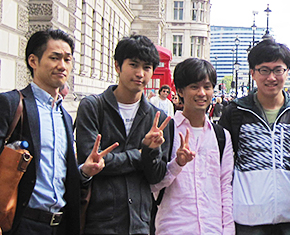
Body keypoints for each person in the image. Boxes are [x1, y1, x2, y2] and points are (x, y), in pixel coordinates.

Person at [0, 29, 116, 235]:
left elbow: (60, 174)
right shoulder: (12, 104)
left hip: (58, 225)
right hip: (21, 224)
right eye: (54, 58)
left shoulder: (63, 115)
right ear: (33, 61)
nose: (62, 66)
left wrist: (84, 172)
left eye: (67, 59)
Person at [218, 39, 290, 234]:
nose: (271, 77)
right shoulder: (236, 112)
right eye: (264, 70)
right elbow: (221, 165)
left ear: (287, 72)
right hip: (249, 219)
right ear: (253, 73)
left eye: (278, 70)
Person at [75, 35, 171, 235]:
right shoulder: (93, 107)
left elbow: (156, 175)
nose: (140, 73)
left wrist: (151, 152)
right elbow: (92, 161)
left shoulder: (156, 117)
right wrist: (140, 154)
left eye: (146, 67)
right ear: (118, 66)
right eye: (133, 65)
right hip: (99, 221)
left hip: (139, 222)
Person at [151, 58, 234, 235]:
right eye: (194, 87)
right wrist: (177, 165)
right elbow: (153, 185)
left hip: (213, 229)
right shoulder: (166, 132)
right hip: (173, 228)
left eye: (207, 86)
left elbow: (225, 187)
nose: (202, 93)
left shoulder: (221, 137)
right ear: (180, 91)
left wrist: (228, 230)